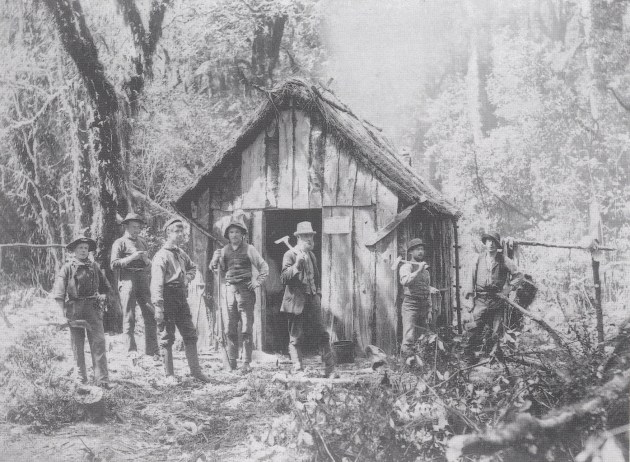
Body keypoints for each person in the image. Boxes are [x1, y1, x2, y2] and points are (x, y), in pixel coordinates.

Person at [150, 217, 211, 382]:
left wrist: (187, 278)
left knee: (190, 334)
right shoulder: (161, 256)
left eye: (181, 231)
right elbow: (156, 284)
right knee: (167, 336)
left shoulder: (181, 253)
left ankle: (196, 372)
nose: (179, 234)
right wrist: (158, 306)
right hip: (167, 297)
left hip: (181, 297)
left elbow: (193, 267)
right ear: (167, 234)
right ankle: (169, 375)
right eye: (175, 231)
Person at [52, 231, 113, 389]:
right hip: (75, 309)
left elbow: (106, 287)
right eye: (80, 247)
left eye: (86, 248)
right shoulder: (67, 268)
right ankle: (81, 379)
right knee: (77, 345)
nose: (83, 250)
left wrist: (103, 298)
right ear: (74, 250)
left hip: (93, 308)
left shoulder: (94, 267)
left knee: (98, 342)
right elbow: (59, 294)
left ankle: (102, 380)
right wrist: (61, 315)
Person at [209, 215, 268, 373]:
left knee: (247, 326)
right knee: (230, 326)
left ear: (243, 234)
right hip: (229, 290)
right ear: (227, 235)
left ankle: (246, 362)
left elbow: (264, 267)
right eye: (231, 232)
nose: (234, 235)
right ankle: (232, 360)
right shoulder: (223, 251)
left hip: (245, 291)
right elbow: (216, 270)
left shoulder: (249, 249)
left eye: (237, 232)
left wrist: (257, 282)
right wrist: (215, 260)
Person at [280, 221, 335, 377]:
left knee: (323, 334)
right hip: (296, 301)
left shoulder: (311, 255)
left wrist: (317, 293)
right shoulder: (290, 254)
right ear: (298, 238)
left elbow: (315, 277)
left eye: (311, 236)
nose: (309, 239)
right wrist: (296, 266)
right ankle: (297, 368)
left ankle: (330, 369)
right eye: (305, 236)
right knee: (296, 337)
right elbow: (283, 278)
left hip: (312, 300)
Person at [463, 231, 522, 364]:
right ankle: (468, 357)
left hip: (496, 301)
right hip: (480, 300)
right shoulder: (478, 258)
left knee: (496, 332)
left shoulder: (504, 260)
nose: (490, 244)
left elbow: (519, 276)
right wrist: (470, 299)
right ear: (485, 243)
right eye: (488, 241)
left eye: (493, 242)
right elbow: (470, 279)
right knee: (473, 328)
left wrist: (507, 290)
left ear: (497, 244)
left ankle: (492, 357)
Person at [111, 212, 158, 358]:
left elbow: (151, 265)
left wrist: (145, 260)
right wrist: (131, 257)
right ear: (126, 227)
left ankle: (152, 350)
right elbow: (113, 265)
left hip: (143, 278)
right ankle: (131, 350)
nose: (136, 230)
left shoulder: (143, 242)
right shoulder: (120, 243)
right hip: (127, 279)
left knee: (150, 313)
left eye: (138, 227)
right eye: (133, 227)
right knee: (129, 315)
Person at [399, 238, 439, 357]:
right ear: (411, 252)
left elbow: (426, 290)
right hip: (411, 305)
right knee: (409, 336)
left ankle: (421, 364)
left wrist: (430, 309)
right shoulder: (406, 267)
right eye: (417, 249)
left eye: (422, 249)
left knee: (424, 335)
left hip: (424, 305)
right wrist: (418, 271)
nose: (421, 252)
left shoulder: (426, 271)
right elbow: (405, 281)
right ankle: (405, 365)